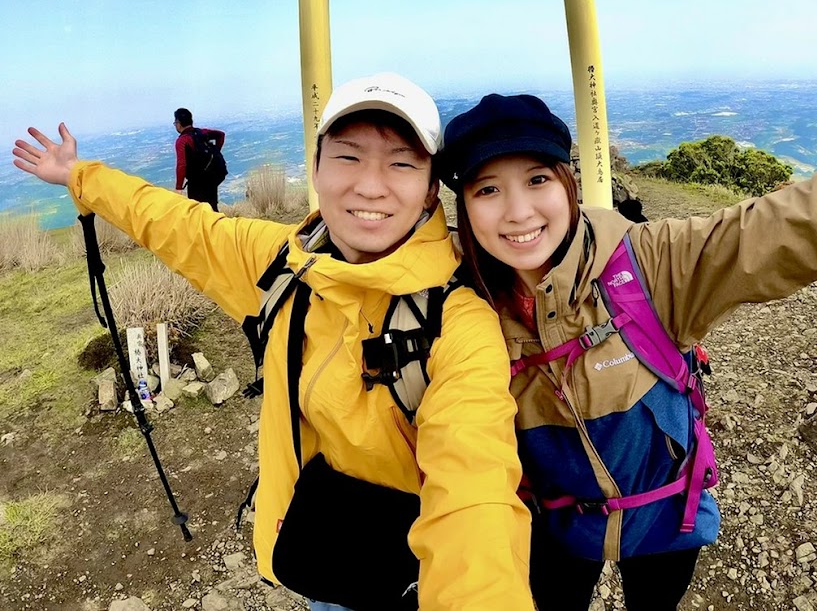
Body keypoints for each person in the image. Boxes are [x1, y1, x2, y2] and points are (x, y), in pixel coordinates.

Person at [12, 74, 533, 611]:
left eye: (401, 163)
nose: (371, 185)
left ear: (430, 188)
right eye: (348, 157)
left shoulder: (458, 321)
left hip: (412, 578)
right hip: (321, 549)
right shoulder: (283, 265)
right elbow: (177, 224)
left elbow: (477, 493)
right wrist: (78, 175)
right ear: (315, 169)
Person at [438, 92, 817, 611]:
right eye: (488, 189)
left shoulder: (651, 266)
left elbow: (787, 223)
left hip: (665, 518)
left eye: (537, 179)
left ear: (567, 184)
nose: (518, 211)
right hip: (553, 528)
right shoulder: (460, 305)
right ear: (465, 205)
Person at [173, 107, 226, 210]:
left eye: (175, 122)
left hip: (197, 181)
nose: (175, 125)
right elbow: (221, 135)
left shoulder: (183, 140)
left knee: (197, 211)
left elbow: (181, 165)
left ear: (179, 123)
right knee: (212, 207)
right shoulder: (202, 132)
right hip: (213, 175)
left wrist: (179, 188)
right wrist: (216, 152)